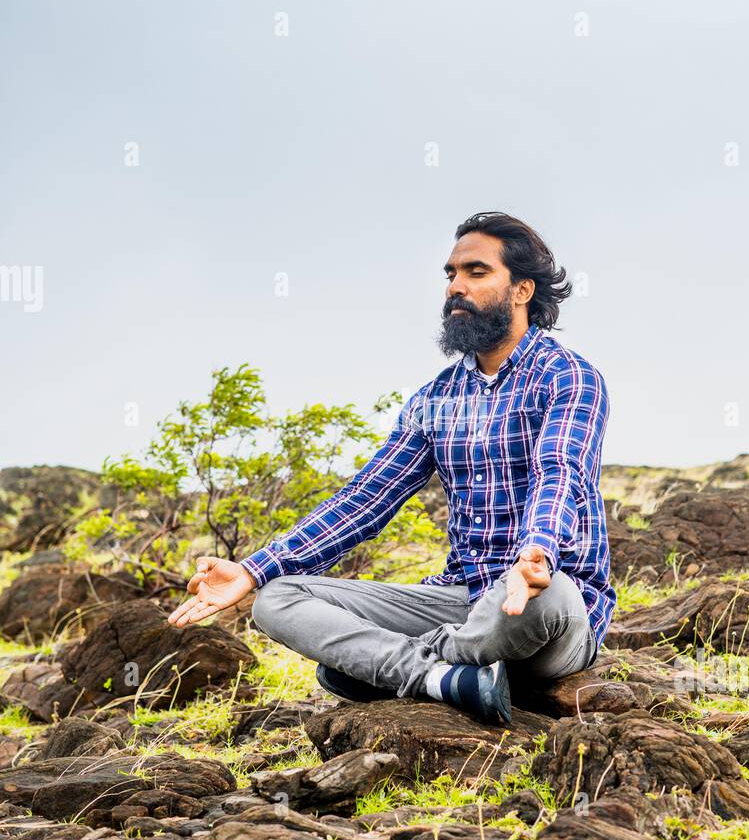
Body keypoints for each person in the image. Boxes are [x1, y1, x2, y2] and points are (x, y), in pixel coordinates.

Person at [168, 211, 616, 726]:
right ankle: (438, 676)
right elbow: (365, 501)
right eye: (450, 275)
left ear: (521, 290)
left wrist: (537, 550)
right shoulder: (436, 397)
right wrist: (251, 570)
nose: (456, 287)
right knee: (277, 599)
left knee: (547, 597)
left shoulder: (569, 378)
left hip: (544, 602)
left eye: (475, 272)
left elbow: (559, 471)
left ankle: (386, 664)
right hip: (460, 597)